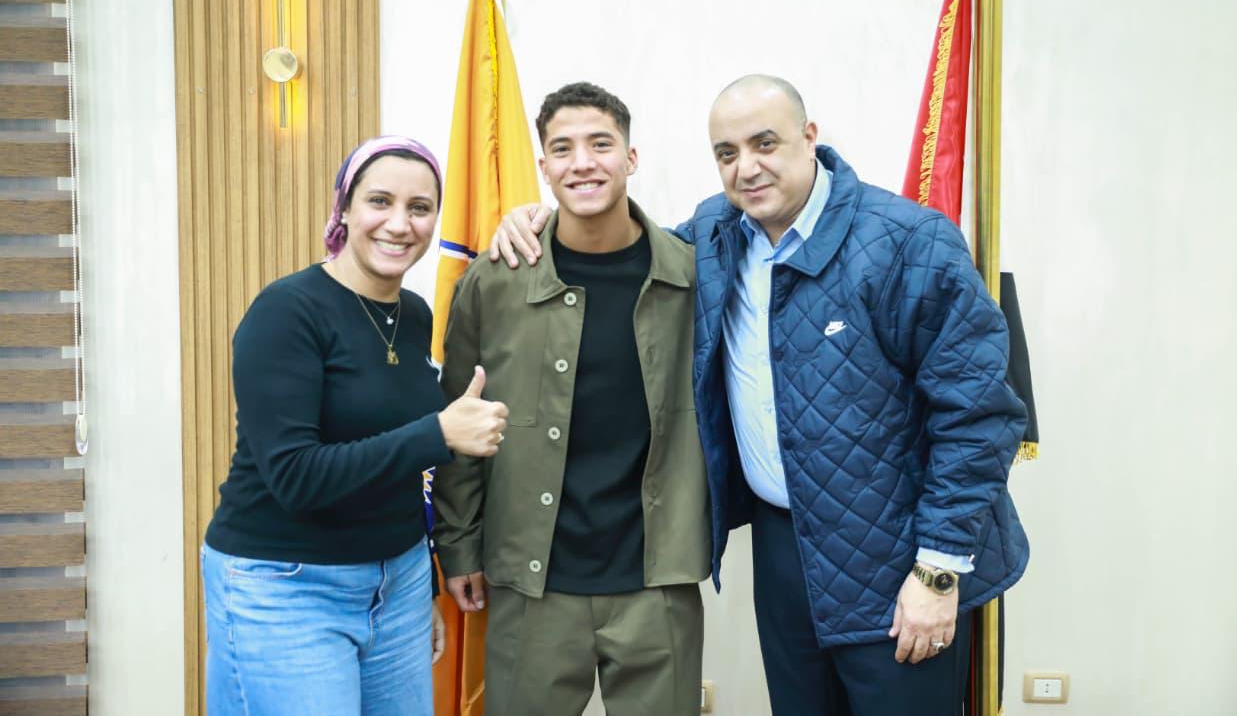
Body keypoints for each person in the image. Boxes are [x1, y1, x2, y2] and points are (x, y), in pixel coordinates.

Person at [489, 75, 1029, 716]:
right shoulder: (714, 237)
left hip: (898, 557)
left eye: (764, 143)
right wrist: (538, 220)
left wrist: (937, 571)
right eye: (727, 153)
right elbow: (623, 245)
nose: (746, 167)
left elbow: (979, 416)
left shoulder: (908, 243)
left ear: (809, 137)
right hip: (784, 554)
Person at [201, 136, 509, 715]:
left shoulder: (413, 315)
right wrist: (438, 434)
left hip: (397, 583)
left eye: (419, 208)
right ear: (344, 208)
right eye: (380, 201)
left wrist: (420, 583)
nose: (400, 224)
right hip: (287, 585)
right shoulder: (286, 312)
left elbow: (398, 470)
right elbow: (295, 477)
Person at [432, 83, 710, 716]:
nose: (582, 162)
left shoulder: (694, 276)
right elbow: (458, 425)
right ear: (544, 166)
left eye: (600, 144)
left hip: (657, 583)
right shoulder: (495, 281)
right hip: (532, 584)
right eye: (563, 149)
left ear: (631, 157)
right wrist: (460, 545)